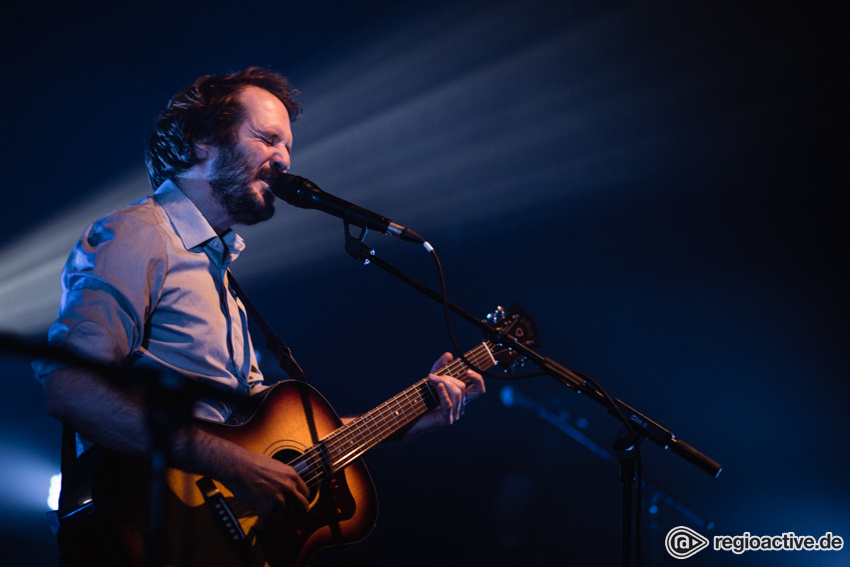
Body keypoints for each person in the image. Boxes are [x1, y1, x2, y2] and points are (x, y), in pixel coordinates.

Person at [34, 67, 484, 534]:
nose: (285, 159)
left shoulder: (220, 277)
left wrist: (412, 417)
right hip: (151, 531)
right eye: (268, 139)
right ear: (201, 141)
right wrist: (235, 466)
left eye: (288, 145)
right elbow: (70, 387)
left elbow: (267, 442)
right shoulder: (136, 236)